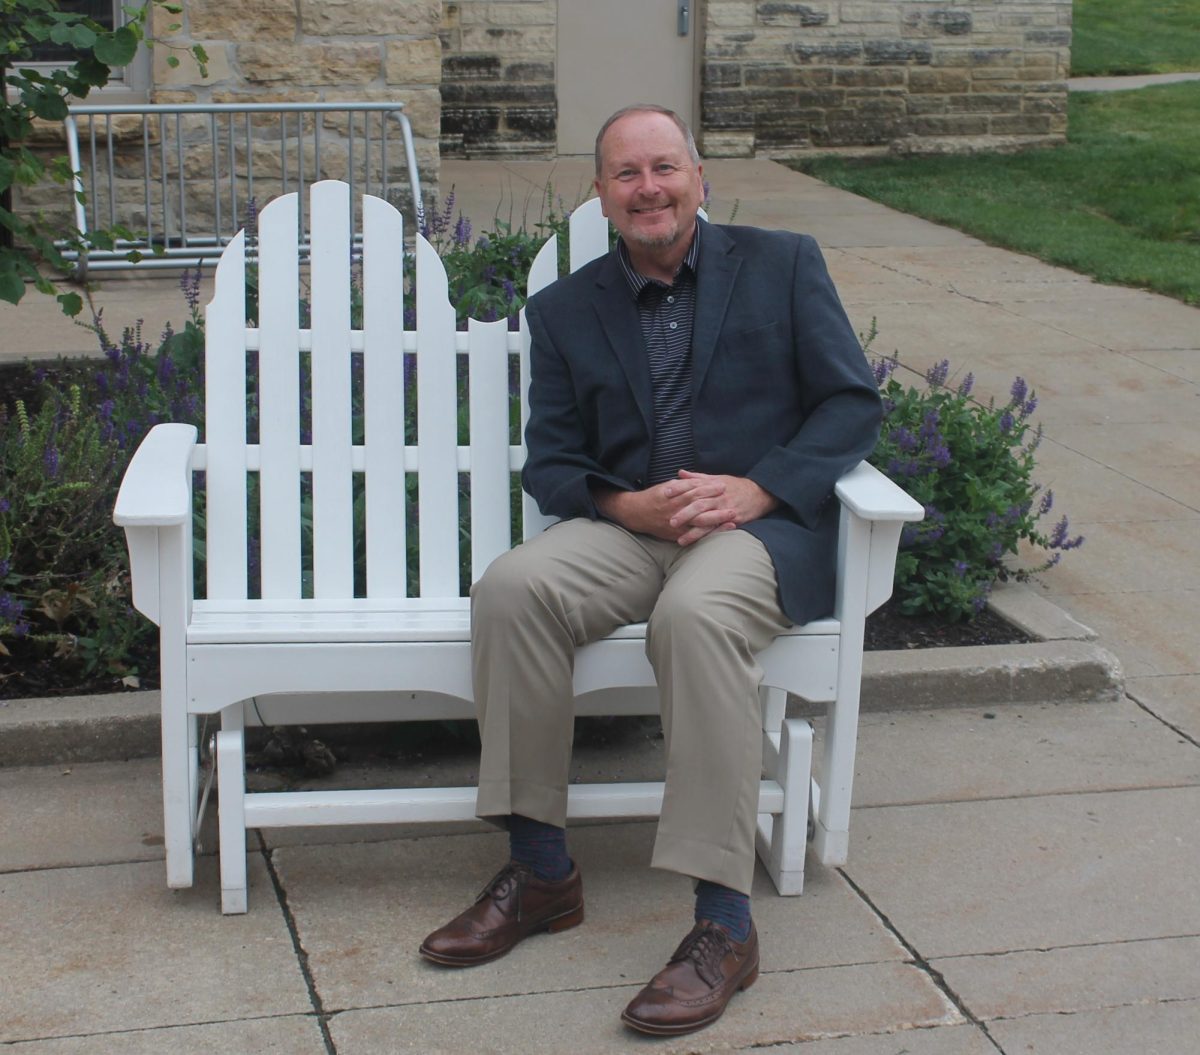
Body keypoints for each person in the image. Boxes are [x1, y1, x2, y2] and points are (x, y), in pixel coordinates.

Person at [419, 104, 882, 1037]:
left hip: (756, 529)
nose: (649, 189)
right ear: (599, 195)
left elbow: (849, 404)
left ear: (699, 178)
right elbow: (549, 459)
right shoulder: (562, 311)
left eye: (664, 168)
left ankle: (724, 923)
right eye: (626, 174)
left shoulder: (783, 265)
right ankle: (542, 867)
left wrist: (757, 489)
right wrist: (625, 506)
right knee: (512, 589)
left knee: (696, 617)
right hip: (634, 527)